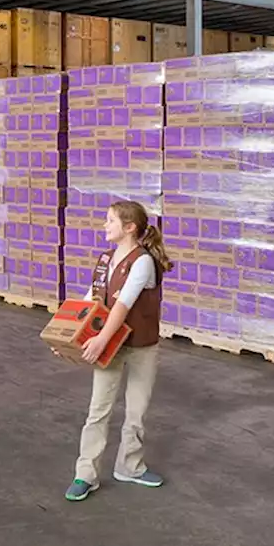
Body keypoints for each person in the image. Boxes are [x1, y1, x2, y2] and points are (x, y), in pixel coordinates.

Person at [65, 200, 173, 502]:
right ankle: (85, 474)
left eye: (110, 220)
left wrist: (99, 341)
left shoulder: (142, 262)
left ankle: (131, 466)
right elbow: (91, 302)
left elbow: (123, 305)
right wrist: (68, 338)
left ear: (130, 228)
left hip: (141, 347)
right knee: (98, 410)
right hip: (111, 346)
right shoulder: (104, 259)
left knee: (136, 412)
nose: (104, 225)